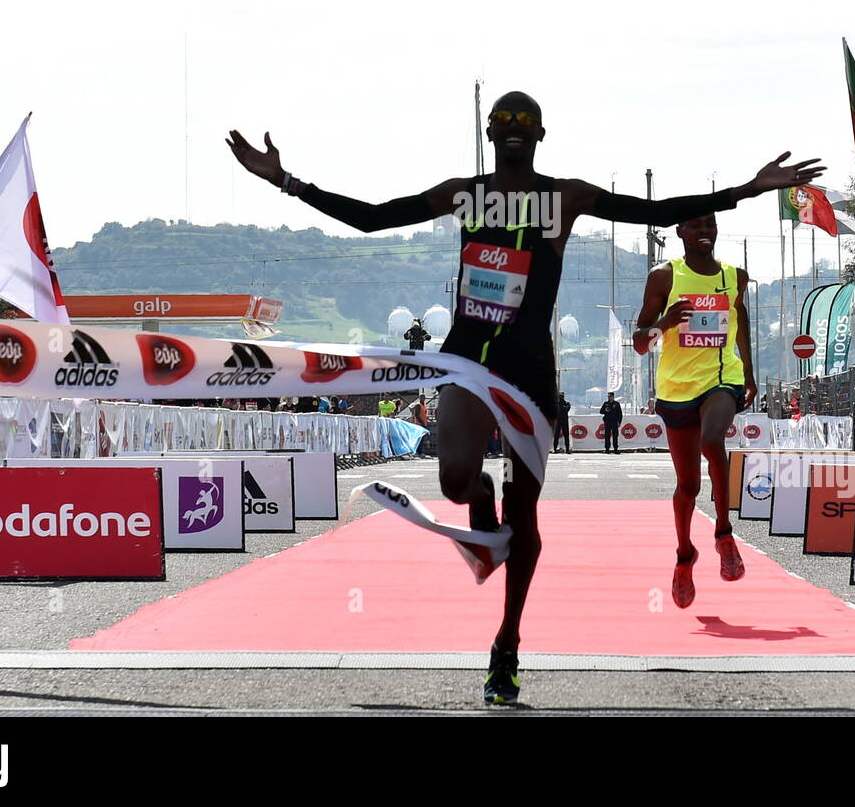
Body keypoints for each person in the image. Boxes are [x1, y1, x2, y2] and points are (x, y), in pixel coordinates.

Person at [227, 92, 823, 705]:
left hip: (531, 369)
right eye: (504, 122)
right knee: (457, 481)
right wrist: (286, 181)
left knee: (526, 517)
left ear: (541, 134)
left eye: (524, 122)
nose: (513, 129)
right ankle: (478, 500)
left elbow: (658, 209)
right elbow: (375, 216)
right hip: (467, 354)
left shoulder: (567, 196)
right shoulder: (466, 193)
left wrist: (749, 189)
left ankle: (506, 645)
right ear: (489, 132)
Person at [632, 213, 756, 608]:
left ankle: (724, 534)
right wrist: (666, 323)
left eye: (711, 225)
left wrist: (750, 374)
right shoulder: (664, 276)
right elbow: (639, 342)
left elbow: (741, 324)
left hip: (721, 378)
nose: (705, 232)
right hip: (676, 387)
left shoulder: (734, 277)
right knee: (688, 487)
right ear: (680, 232)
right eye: (697, 226)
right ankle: (685, 555)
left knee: (713, 439)